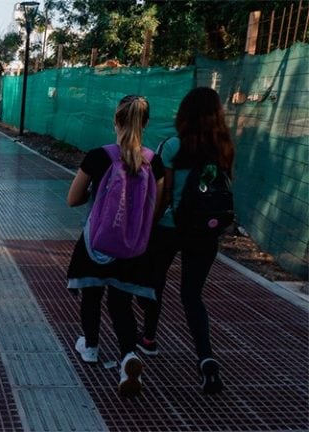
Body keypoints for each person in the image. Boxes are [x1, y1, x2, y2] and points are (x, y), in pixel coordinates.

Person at [66, 95, 165, 398]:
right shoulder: (154, 161)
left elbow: (73, 198)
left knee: (92, 294)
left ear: (116, 121)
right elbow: (155, 208)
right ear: (145, 123)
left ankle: (91, 346)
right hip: (134, 246)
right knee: (121, 304)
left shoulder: (99, 156)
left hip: (97, 242)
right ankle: (128, 356)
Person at [137, 87, 234, 395]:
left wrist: (146, 229)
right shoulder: (224, 148)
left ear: (185, 114)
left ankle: (149, 338)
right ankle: (205, 358)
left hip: (169, 227)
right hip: (206, 231)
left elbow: (163, 197)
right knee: (192, 296)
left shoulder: (172, 146)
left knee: (154, 283)